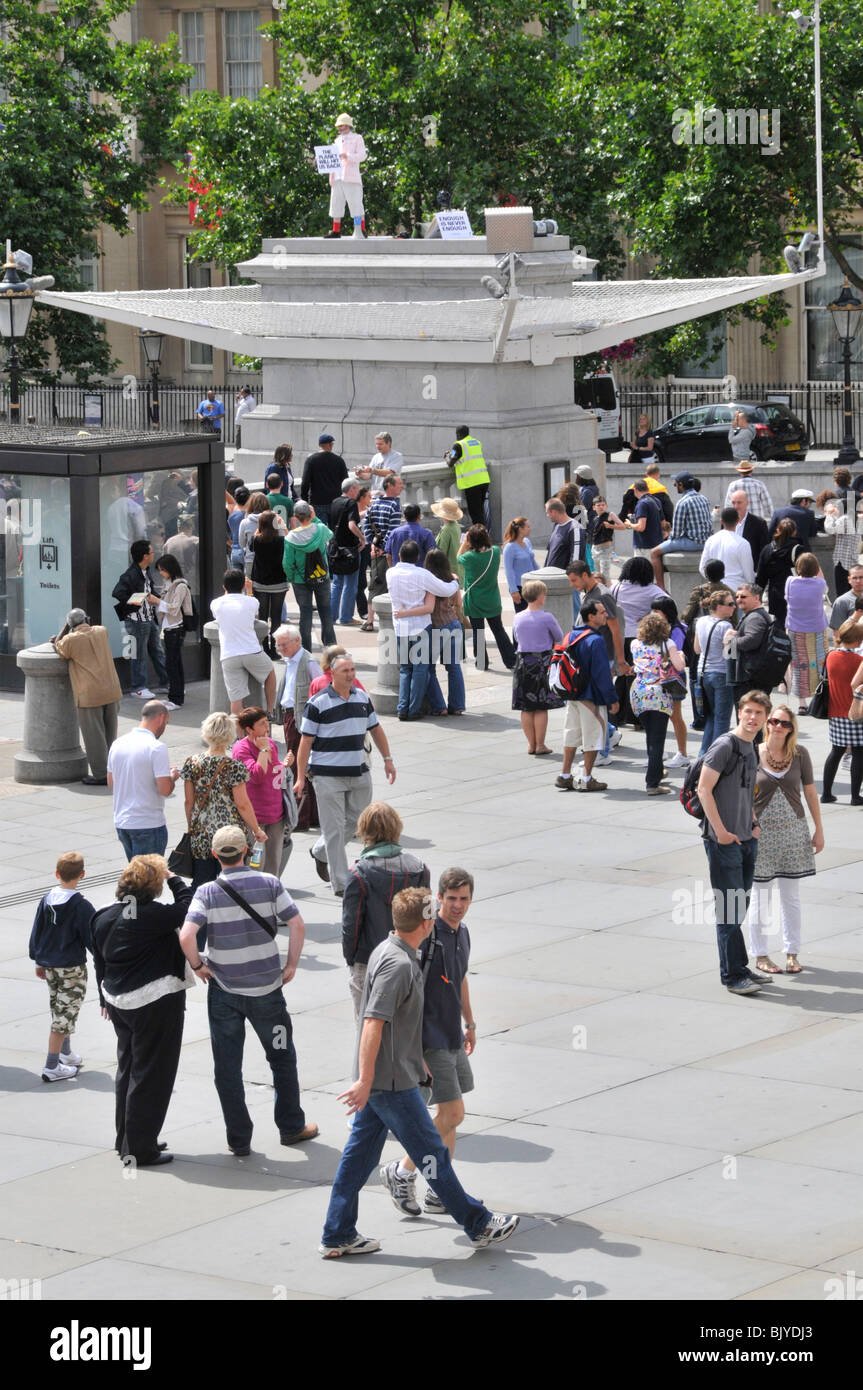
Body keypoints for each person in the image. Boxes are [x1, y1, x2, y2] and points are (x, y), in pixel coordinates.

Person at [319, 886, 519, 1257]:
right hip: (390, 1083)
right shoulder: (399, 964)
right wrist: (365, 1080)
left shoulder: (387, 949)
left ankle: (337, 1233)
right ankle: (477, 1224)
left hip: (391, 1075)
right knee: (432, 1155)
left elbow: (393, 1023)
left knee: (358, 1159)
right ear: (427, 922)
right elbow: (374, 1024)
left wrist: (413, 1058)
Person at [179, 826, 318, 1155]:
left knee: (227, 1068)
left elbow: (186, 936)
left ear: (215, 856)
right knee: (281, 1059)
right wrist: (292, 965)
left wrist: (198, 966)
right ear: (247, 852)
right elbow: (297, 924)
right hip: (268, 991)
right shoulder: (269, 883)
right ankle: (291, 1126)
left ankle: (239, 1139)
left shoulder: (207, 892)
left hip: (225, 992)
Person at [381, 868, 479, 1219]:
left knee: (448, 1118)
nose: (457, 906)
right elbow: (411, 995)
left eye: (464, 899)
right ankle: (402, 1170)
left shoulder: (462, 933)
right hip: (430, 1039)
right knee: (453, 1113)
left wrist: (469, 1022)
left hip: (452, 1034)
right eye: (451, 899)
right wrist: (413, 1049)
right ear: (439, 899)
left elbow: (461, 978)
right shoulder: (429, 937)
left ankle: (441, 1190)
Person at [91, 855, 194, 1165]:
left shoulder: (103, 917)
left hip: (118, 1002)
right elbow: (188, 905)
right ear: (155, 885)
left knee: (129, 1069)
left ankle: (127, 1137)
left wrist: (102, 998)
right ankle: (138, 1147)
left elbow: (100, 962)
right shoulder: (152, 915)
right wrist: (174, 877)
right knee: (152, 1074)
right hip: (153, 1002)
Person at [295, 654, 396, 896]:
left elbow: (376, 729)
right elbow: (305, 742)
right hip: (327, 775)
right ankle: (341, 883)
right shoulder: (317, 703)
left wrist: (388, 759)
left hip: (359, 771)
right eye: (345, 671)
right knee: (334, 829)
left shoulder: (362, 697)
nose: (351, 674)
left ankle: (320, 852)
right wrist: (300, 777)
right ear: (332, 673)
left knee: (358, 822)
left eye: (353, 670)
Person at [697, 689, 770, 995]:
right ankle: (731, 976)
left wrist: (753, 823)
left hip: (745, 838)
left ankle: (740, 967)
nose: (753, 718)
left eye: (759, 713)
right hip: (723, 840)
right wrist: (721, 832)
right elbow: (703, 789)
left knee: (739, 907)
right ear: (739, 712)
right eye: (748, 711)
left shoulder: (751, 747)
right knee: (729, 910)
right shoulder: (724, 745)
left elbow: (747, 790)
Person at [746, 705, 823, 976]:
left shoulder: (800, 754)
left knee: (791, 898)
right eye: (774, 721)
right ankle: (761, 954)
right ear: (767, 723)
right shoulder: (752, 754)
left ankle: (792, 952)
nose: (778, 726)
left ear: (791, 729)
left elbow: (811, 792)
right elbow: (742, 795)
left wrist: (819, 829)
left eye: (784, 723)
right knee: (760, 897)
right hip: (761, 834)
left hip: (793, 832)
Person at [341, 802, 431, 1018]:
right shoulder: (419, 869)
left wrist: (352, 960)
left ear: (364, 830)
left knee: (368, 1033)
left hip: (369, 961)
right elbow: (428, 918)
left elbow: (350, 926)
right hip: (410, 960)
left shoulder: (358, 873)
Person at [181, 711, 264, 888]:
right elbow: (242, 804)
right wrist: (256, 829)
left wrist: (191, 826)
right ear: (230, 735)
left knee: (202, 883)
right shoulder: (234, 766)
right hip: (230, 834)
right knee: (234, 882)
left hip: (202, 833)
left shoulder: (192, 762)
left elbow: (189, 801)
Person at [29, 851, 92, 1082]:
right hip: (72, 968)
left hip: (50, 965)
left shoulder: (46, 899)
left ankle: (66, 1054)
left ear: (57, 873)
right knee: (64, 1015)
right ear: (82, 874)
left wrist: (37, 959)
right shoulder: (81, 905)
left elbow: (37, 930)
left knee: (61, 1007)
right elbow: (91, 936)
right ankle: (51, 1065)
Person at [386, 540, 459, 719]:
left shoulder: (390, 572)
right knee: (420, 669)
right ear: (417, 557)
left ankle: (402, 709)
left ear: (399, 556)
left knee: (405, 669)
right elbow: (444, 589)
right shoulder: (422, 574)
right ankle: (413, 709)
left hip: (400, 628)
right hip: (420, 626)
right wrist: (456, 583)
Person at [554, 600, 620, 793]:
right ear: (591, 616)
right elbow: (602, 674)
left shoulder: (570, 636)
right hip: (591, 697)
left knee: (571, 733)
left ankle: (565, 775)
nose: (606, 615)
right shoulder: (596, 640)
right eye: (601, 612)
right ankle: (586, 778)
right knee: (593, 736)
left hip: (572, 694)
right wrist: (612, 698)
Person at [51, 608, 122, 785]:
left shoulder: (70, 639)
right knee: (110, 735)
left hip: (90, 694)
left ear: (70, 624)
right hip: (111, 689)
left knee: (94, 737)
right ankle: (113, 771)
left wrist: (65, 628)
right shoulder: (101, 630)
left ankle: (100, 775)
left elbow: (59, 646)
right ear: (87, 619)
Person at [107, 701, 179, 859]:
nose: (164, 728)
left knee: (136, 877)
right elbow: (165, 790)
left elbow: (111, 782)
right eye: (166, 723)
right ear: (160, 718)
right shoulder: (156, 747)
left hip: (122, 822)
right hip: (148, 823)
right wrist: (172, 777)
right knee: (148, 881)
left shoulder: (117, 744)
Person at [232, 706, 293, 879]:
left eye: (267, 722)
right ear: (249, 729)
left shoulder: (270, 743)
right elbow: (256, 776)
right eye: (262, 723)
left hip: (276, 815)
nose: (267, 726)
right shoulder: (241, 749)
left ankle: (271, 896)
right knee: (255, 866)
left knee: (273, 866)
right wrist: (264, 750)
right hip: (255, 819)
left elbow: (275, 777)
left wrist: (284, 766)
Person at [629, 611, 686, 794]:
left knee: (650, 736)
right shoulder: (667, 644)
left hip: (639, 692)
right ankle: (652, 783)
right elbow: (679, 666)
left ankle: (658, 771)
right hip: (659, 693)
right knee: (657, 738)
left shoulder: (635, 644)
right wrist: (681, 656)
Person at [210, 568, 276, 717]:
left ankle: (239, 738)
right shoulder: (252, 601)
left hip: (228, 655)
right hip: (251, 651)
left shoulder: (216, 603)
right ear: (243, 586)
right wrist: (250, 590)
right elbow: (255, 614)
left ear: (224, 587)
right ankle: (270, 711)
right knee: (270, 672)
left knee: (236, 702)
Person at [274, 624, 321, 830]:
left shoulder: (308, 661)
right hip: (290, 716)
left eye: (284, 645)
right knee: (300, 766)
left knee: (296, 766)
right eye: (278, 646)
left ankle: (301, 818)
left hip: (299, 718)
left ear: (297, 641)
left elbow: (320, 690)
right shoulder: (291, 660)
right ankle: (311, 816)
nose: (281, 649)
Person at [610, 556, 667, 727]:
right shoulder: (652, 590)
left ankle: (616, 716)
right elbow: (667, 603)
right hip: (641, 638)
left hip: (619, 636)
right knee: (637, 676)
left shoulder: (617, 587)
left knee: (620, 677)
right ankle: (636, 718)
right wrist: (650, 616)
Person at [510, 579, 563, 754]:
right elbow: (559, 636)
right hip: (542, 662)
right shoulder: (547, 617)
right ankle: (540, 744)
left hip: (523, 662)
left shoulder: (518, 617)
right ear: (540, 596)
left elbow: (516, 639)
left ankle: (531, 744)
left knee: (526, 706)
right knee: (541, 706)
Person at [112, 538, 168, 699]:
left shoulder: (145, 571)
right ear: (145, 556)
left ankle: (165, 682)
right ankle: (138, 687)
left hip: (149, 618)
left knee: (157, 651)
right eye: (151, 552)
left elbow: (150, 592)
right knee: (139, 654)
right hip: (136, 621)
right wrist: (137, 599)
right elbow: (118, 593)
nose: (153, 554)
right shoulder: (130, 575)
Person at [457, 524, 516, 671]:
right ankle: (510, 660)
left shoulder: (469, 557)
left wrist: (465, 542)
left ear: (472, 541)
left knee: (478, 632)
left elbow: (458, 557)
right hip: (492, 598)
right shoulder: (495, 552)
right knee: (498, 630)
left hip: (474, 600)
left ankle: (482, 662)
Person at [283, 500, 337, 651]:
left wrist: (291, 577)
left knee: (305, 613)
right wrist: (315, 518)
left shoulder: (290, 537)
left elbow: (287, 562)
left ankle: (305, 648)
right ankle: (330, 644)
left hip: (300, 579)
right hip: (321, 575)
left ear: (295, 516)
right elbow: (330, 534)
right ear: (310, 514)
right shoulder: (320, 529)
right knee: (325, 610)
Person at [821, 620, 863, 805]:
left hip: (835, 711)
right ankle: (855, 796)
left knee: (836, 751)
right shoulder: (858, 661)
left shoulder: (831, 655)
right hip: (855, 711)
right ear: (857, 639)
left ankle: (826, 793)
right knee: (859, 753)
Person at [649, 595, 691, 768]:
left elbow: (676, 655)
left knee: (675, 716)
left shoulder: (676, 630)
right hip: (659, 676)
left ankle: (682, 753)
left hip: (673, 677)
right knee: (658, 716)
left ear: (665, 612)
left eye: (657, 610)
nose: (653, 613)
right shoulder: (659, 628)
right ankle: (658, 752)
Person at [650, 472, 712, 587]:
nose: (675, 486)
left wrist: (667, 537)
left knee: (654, 553)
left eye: (676, 484)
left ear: (681, 485)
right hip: (706, 541)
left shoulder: (682, 502)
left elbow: (676, 534)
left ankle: (660, 587)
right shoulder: (704, 498)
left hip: (693, 542)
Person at [785, 552, 830, 715]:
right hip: (816, 628)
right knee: (820, 662)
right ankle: (820, 695)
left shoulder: (790, 582)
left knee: (798, 665)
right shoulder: (820, 584)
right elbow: (824, 584)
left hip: (795, 629)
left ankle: (802, 703)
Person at [694, 589, 737, 753]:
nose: (734, 607)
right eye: (730, 604)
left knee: (711, 716)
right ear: (719, 607)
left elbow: (697, 649)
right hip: (721, 674)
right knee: (722, 719)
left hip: (702, 673)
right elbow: (731, 655)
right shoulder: (726, 626)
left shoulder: (701, 621)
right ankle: (717, 757)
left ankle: (703, 755)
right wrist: (733, 639)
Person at [363, 472, 404, 632]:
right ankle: (371, 620)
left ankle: (370, 618)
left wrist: (372, 544)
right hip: (387, 553)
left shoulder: (374, 503)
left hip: (376, 550)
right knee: (384, 585)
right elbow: (392, 531)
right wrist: (384, 548)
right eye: (398, 484)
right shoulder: (394, 505)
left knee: (374, 583)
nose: (401, 486)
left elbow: (365, 524)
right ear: (390, 486)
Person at [153, 553, 193, 711]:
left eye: (162, 570)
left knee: (172, 664)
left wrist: (156, 601)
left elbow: (174, 608)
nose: (161, 573)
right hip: (169, 628)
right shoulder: (169, 584)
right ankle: (176, 694)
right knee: (174, 663)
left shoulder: (180, 586)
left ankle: (175, 698)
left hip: (176, 629)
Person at [248, 509, 287, 658]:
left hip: (260, 583)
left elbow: (251, 545)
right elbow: (290, 540)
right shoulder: (281, 540)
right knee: (276, 617)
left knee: (262, 616)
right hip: (279, 582)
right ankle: (274, 648)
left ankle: (263, 646)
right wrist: (282, 526)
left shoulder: (256, 540)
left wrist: (260, 527)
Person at [329, 477, 367, 623]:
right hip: (350, 549)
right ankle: (346, 617)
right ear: (352, 489)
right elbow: (352, 525)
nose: (358, 491)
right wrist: (362, 538)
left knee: (337, 583)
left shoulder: (335, 502)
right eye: (357, 489)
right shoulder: (351, 503)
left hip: (336, 549)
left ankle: (332, 616)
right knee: (350, 585)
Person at [755, 518, 802, 629]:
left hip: (775, 594)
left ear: (778, 530)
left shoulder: (767, 550)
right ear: (794, 532)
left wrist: (758, 597)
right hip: (796, 594)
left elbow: (761, 577)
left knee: (779, 627)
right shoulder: (799, 549)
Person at [325, 113, 366, 239]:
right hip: (337, 177)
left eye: (342, 125)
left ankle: (360, 229)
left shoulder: (357, 138)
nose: (339, 128)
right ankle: (335, 230)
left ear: (348, 125)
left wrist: (348, 156)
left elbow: (362, 156)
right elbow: (331, 157)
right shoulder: (337, 140)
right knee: (336, 204)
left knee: (356, 205)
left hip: (351, 177)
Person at [445, 425, 491, 529]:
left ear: (458, 434)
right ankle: (484, 536)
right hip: (483, 480)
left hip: (472, 483)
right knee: (480, 512)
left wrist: (447, 456)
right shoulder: (476, 442)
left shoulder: (458, 445)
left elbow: (450, 463)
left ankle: (481, 539)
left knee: (476, 514)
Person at [699, 508, 755, 591]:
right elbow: (749, 574)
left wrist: (713, 580)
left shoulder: (711, 540)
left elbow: (702, 568)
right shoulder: (743, 543)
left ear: (722, 521)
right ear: (738, 521)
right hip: (735, 589)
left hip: (714, 591)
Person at [301, 433, 348, 525]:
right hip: (336, 501)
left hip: (317, 502)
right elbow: (346, 482)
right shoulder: (339, 460)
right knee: (335, 532)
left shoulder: (311, 460)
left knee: (319, 532)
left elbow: (305, 482)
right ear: (331, 444)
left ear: (319, 445)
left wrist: (305, 500)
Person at [822, 493, 860, 596]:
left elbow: (830, 529)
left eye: (837, 508)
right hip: (851, 560)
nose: (836, 511)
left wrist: (829, 515)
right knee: (851, 591)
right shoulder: (853, 518)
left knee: (842, 592)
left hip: (843, 561)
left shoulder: (845, 519)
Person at [727, 488, 769, 573]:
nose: (736, 506)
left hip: (750, 571)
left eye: (739, 502)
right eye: (733, 503)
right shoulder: (726, 521)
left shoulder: (759, 523)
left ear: (747, 503)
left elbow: (764, 549)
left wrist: (758, 572)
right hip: (730, 571)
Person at [503, 516, 537, 613]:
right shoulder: (509, 547)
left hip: (532, 585)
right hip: (520, 587)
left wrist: (541, 575)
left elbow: (533, 562)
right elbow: (508, 570)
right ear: (520, 529)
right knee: (522, 615)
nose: (530, 529)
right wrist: (514, 591)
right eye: (528, 527)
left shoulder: (527, 542)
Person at [164, 514, 199, 598]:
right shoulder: (196, 541)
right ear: (192, 527)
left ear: (178, 527)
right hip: (192, 587)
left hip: (173, 586)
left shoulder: (169, 543)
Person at [545, 497, 586, 569]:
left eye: (547, 513)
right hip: (551, 576)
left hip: (563, 578)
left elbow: (576, 560)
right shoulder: (557, 527)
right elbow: (550, 554)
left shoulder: (575, 528)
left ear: (554, 512)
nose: (547, 515)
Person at [429, 496, 463, 578]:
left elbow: (441, 551)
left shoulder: (446, 529)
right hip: (457, 568)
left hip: (448, 571)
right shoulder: (456, 526)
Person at [239, 491, 270, 577]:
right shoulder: (274, 520)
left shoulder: (244, 522)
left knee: (251, 589)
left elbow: (242, 543)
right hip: (270, 559)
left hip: (251, 560)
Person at [829, 563, 863, 636]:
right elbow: (837, 633)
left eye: (861, 577)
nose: (858, 581)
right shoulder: (842, 601)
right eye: (854, 578)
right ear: (849, 579)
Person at [227, 485, 250, 569]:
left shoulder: (231, 516)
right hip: (245, 552)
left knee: (237, 581)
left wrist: (232, 544)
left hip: (234, 552)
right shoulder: (249, 516)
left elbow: (226, 534)